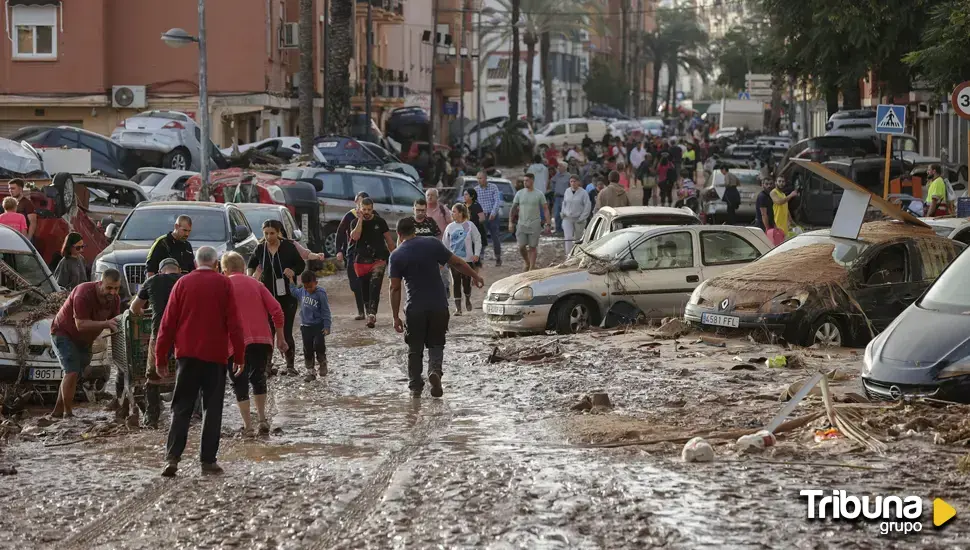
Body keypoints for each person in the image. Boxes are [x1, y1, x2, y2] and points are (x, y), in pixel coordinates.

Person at [155, 246, 245, 477]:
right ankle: (207, 461)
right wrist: (240, 356)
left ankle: (172, 459)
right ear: (216, 265)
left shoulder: (182, 284)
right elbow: (234, 323)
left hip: (186, 356)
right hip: (215, 357)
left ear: (195, 264)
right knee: (212, 409)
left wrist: (160, 357)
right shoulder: (224, 284)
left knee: (181, 407)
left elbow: (167, 324)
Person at [388, 218, 484, 398]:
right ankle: (434, 371)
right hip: (439, 305)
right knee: (436, 344)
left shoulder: (396, 255)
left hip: (415, 308)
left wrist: (395, 316)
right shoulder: (432, 243)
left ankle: (415, 388)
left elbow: (394, 287)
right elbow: (457, 262)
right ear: (415, 230)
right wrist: (475, 276)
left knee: (415, 349)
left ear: (399, 235)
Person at [221, 252, 286, 436]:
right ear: (243, 268)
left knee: (239, 382)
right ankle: (263, 419)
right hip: (261, 340)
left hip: (235, 343)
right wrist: (280, 337)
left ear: (225, 271)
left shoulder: (224, 286)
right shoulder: (257, 285)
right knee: (258, 378)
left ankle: (248, 427)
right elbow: (277, 310)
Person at [248, 219, 321, 375]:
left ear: (279, 232)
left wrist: (293, 271)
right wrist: (251, 277)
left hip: (287, 295)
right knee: (268, 331)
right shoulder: (260, 248)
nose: (269, 237)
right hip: (266, 295)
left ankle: (290, 365)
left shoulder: (288, 247)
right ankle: (268, 365)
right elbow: (252, 263)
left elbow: (301, 264)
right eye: (266, 233)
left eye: (272, 233)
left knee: (286, 330)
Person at [49, 270, 122, 418]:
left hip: (85, 340)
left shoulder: (115, 299)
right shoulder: (83, 293)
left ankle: (57, 412)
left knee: (73, 374)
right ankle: (68, 414)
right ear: (100, 283)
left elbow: (116, 324)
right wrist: (105, 323)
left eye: (116, 288)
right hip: (63, 333)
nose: (113, 292)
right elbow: (80, 324)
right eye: (109, 288)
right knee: (71, 371)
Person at [129, 258, 183, 428]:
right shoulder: (184, 280)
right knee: (187, 372)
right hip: (183, 334)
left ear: (160, 271)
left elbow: (134, 308)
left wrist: (147, 311)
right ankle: (190, 415)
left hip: (159, 333)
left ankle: (152, 419)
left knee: (153, 376)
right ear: (178, 270)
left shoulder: (151, 281)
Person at [349, 198, 396, 328]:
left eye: (369, 209)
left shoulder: (380, 222)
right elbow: (355, 237)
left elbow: (389, 241)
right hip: (361, 260)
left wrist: (397, 256)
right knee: (364, 288)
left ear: (373, 208)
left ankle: (372, 315)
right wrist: (360, 220)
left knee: (375, 286)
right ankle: (368, 311)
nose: (367, 212)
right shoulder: (354, 222)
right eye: (364, 209)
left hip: (379, 259)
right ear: (359, 209)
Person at [289, 270, 332, 382]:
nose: (308, 289)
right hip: (305, 326)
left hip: (318, 326)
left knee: (319, 345)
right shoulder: (302, 292)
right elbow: (293, 291)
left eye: (310, 286)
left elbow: (326, 311)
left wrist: (327, 326)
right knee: (307, 348)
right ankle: (310, 371)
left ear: (316, 283)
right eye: (306, 287)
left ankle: (322, 362)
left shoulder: (321, 293)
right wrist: (290, 279)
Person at [336, 192, 370, 320]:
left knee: (366, 282)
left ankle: (368, 310)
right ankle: (361, 311)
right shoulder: (349, 216)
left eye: (363, 203)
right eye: (358, 202)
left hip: (367, 254)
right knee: (354, 284)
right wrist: (338, 250)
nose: (360, 206)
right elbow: (339, 233)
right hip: (352, 253)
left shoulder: (373, 216)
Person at [443, 204, 482, 315]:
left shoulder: (469, 225)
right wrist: (445, 258)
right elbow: (445, 243)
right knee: (456, 282)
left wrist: (476, 254)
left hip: (467, 259)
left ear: (461, 213)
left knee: (466, 282)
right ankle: (458, 308)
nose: (452, 214)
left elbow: (477, 239)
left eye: (454, 211)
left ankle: (468, 298)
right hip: (454, 260)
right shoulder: (450, 227)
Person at [509, 173, 551, 272]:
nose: (525, 182)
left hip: (535, 223)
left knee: (532, 247)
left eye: (527, 180)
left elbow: (545, 209)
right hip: (522, 223)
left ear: (532, 181)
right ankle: (527, 262)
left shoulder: (539, 194)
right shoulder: (519, 193)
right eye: (524, 180)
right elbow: (513, 208)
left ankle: (532, 267)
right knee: (521, 246)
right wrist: (510, 222)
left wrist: (548, 223)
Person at [474, 171, 504, 266]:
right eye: (478, 178)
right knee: (481, 237)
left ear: (486, 178)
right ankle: (480, 258)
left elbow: (497, 201)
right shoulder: (476, 190)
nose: (479, 180)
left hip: (493, 216)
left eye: (481, 178)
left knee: (495, 237)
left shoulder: (493, 187)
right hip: (482, 216)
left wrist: (493, 212)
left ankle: (498, 257)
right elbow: (475, 203)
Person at [561, 175, 591, 256]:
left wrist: (582, 218)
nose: (573, 183)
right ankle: (568, 255)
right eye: (571, 181)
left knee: (578, 238)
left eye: (574, 181)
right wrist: (562, 212)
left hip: (579, 218)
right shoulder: (567, 191)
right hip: (567, 218)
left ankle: (578, 254)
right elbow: (564, 203)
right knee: (568, 237)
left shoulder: (583, 193)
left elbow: (587, 206)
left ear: (578, 182)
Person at [463, 188, 486, 261]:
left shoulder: (476, 205)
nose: (464, 196)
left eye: (466, 194)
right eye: (464, 195)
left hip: (476, 230)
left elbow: (482, 218)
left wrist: (473, 225)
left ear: (472, 196)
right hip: (466, 232)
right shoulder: (463, 206)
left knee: (477, 252)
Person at [550, 161, 571, 233]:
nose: (558, 167)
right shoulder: (557, 175)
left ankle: (565, 230)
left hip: (565, 198)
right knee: (556, 214)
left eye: (560, 166)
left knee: (564, 214)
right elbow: (552, 181)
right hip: (557, 197)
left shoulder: (569, 176)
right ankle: (558, 229)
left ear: (565, 167)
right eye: (558, 166)